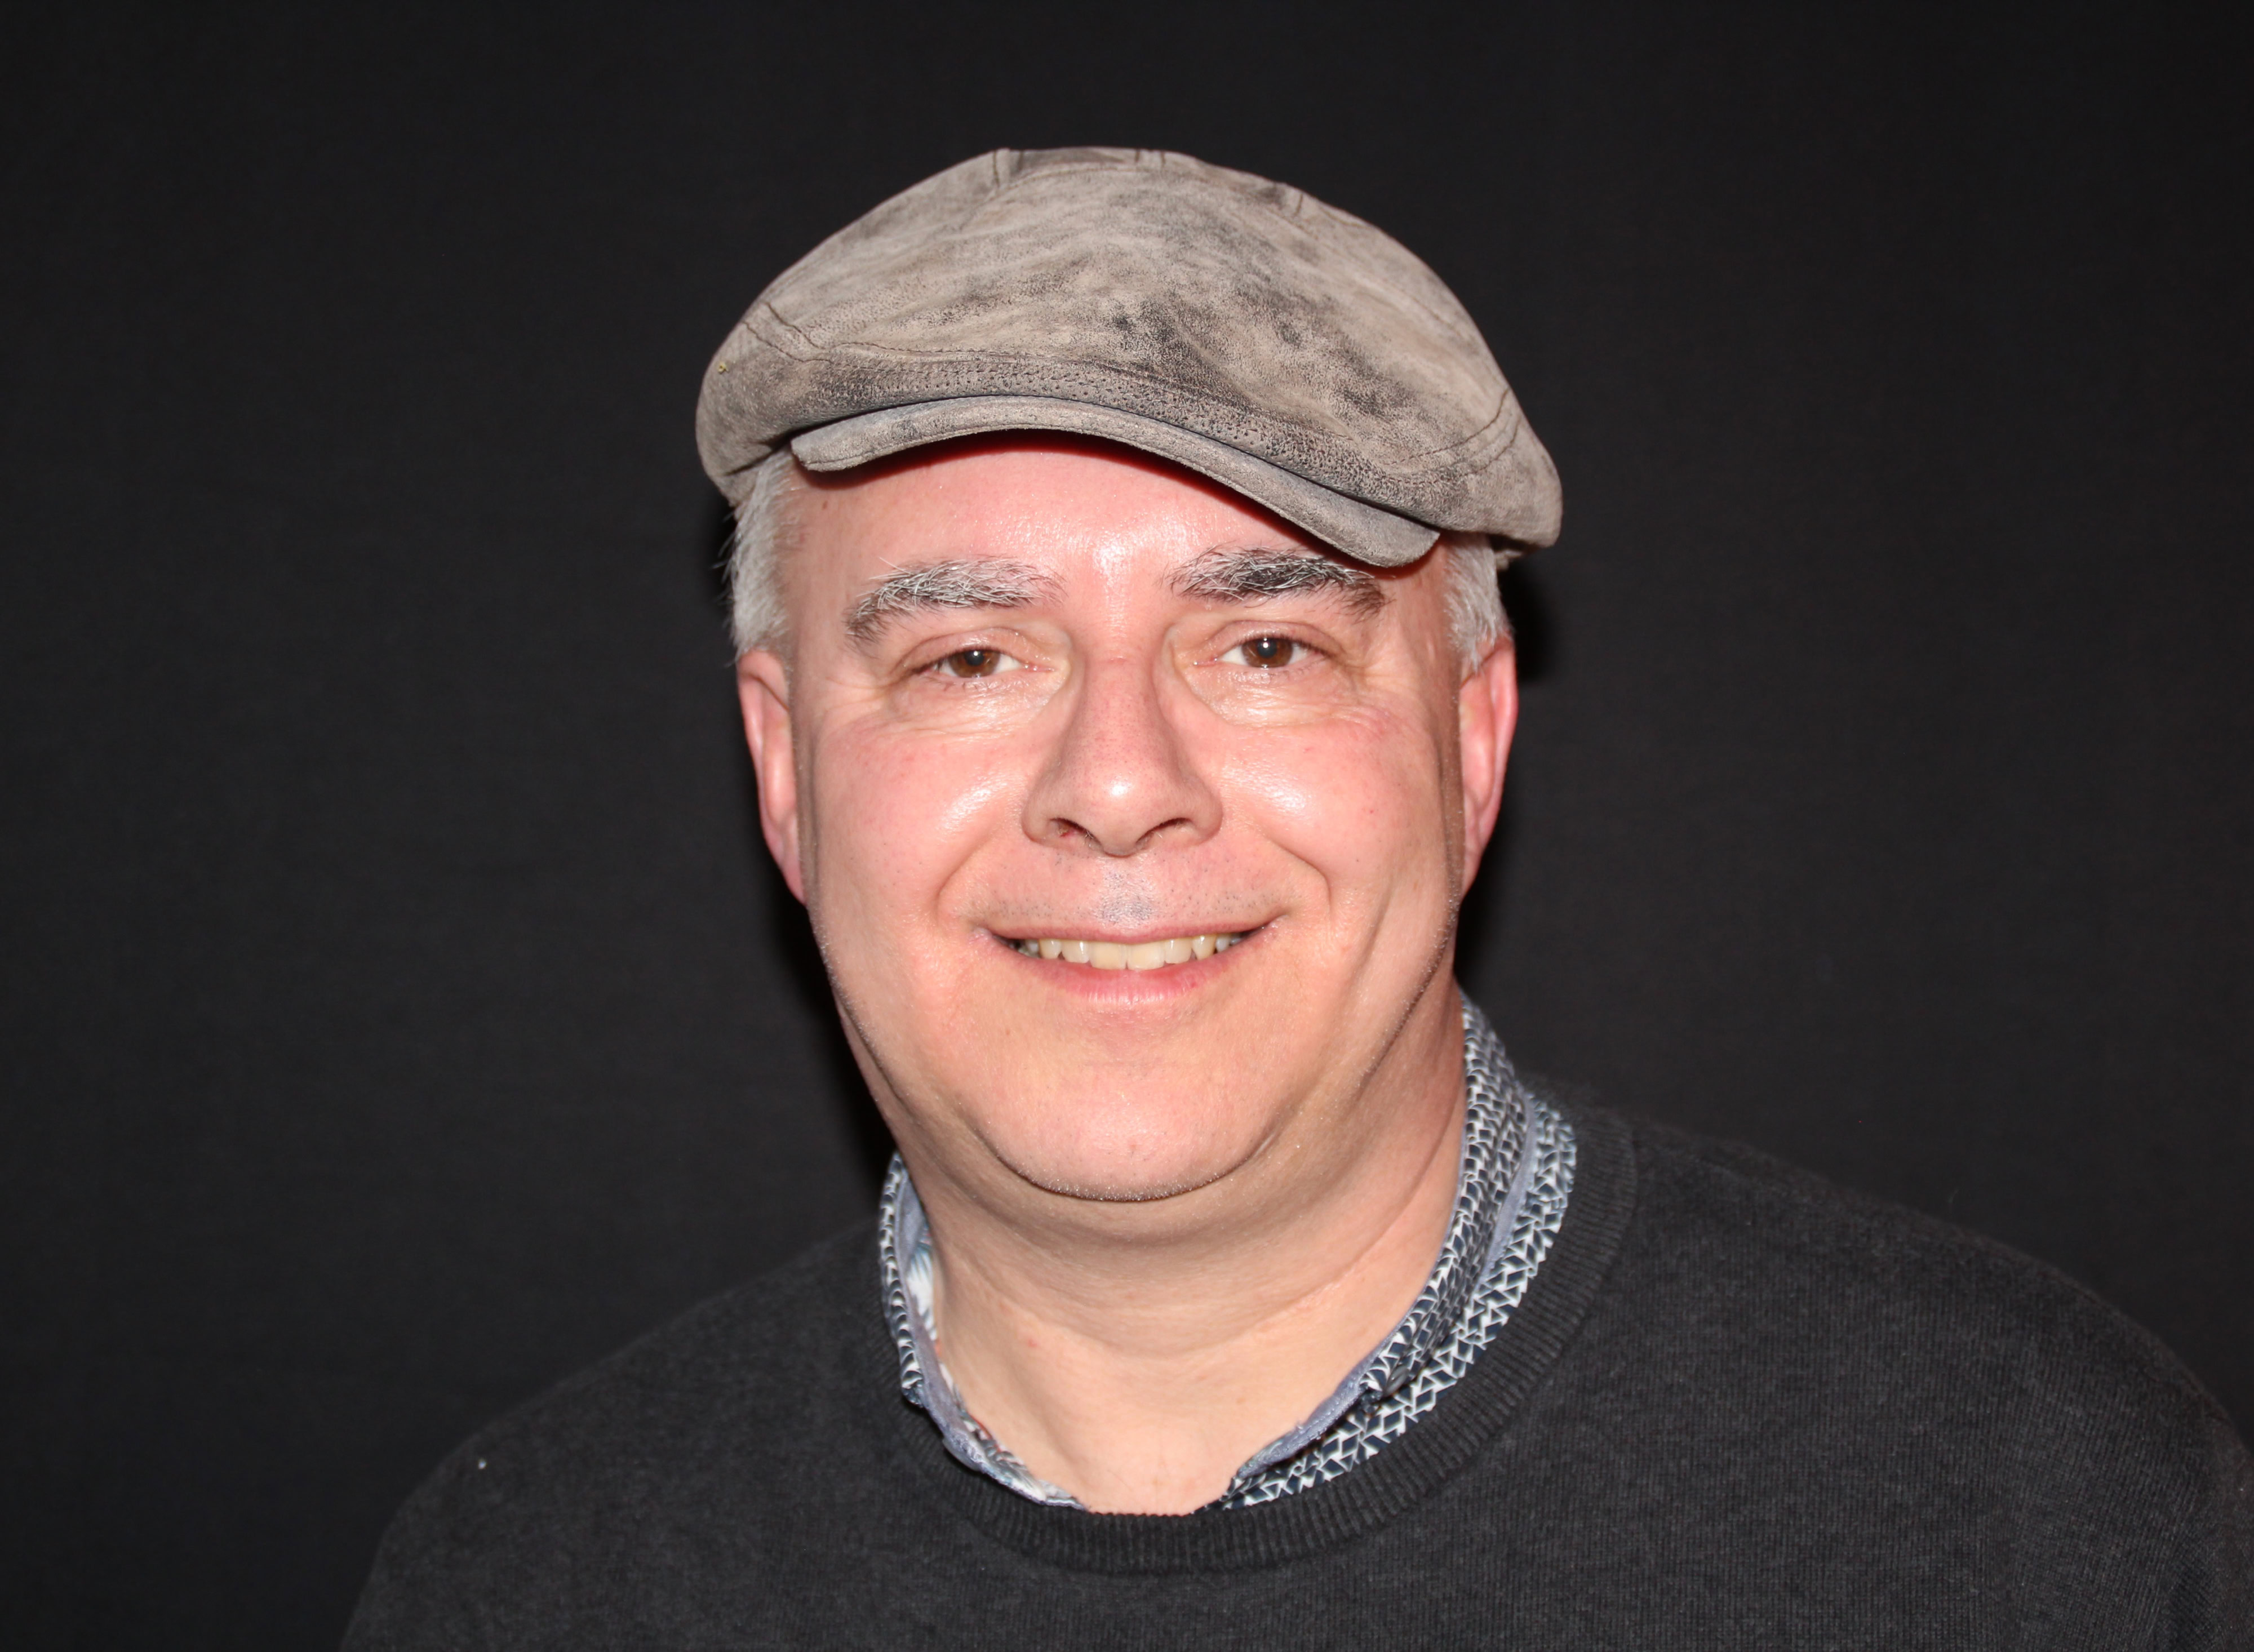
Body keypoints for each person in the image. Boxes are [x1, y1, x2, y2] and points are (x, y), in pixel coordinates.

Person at [344, 148, 2252, 1648]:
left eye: (1264, 646)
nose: (1117, 787)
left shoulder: (2043, 1518)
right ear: (784, 769)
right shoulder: (535, 1582)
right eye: (969, 658)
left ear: (1472, 741)